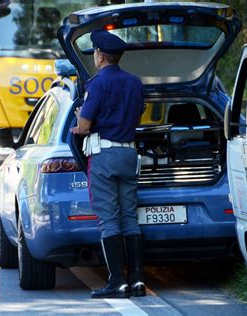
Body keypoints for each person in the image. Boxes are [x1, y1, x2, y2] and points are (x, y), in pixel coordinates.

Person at [70, 29, 145, 299]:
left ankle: (116, 282)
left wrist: (79, 120)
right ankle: (137, 281)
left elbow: (85, 126)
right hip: (129, 155)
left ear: (100, 56)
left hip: (105, 156)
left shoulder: (98, 83)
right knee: (129, 218)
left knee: (109, 220)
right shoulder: (135, 82)